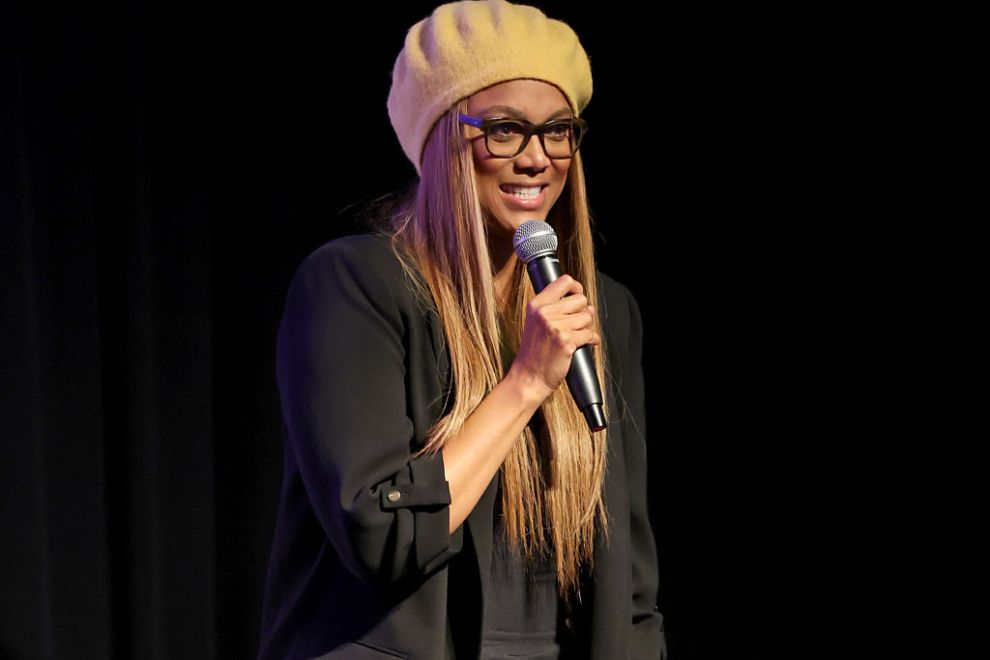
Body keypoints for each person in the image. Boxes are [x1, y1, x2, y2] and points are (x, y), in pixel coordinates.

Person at [257, 1, 667, 658]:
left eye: (557, 131)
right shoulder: (356, 287)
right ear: (444, 139)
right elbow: (381, 535)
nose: (537, 158)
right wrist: (526, 380)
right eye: (504, 130)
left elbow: (634, 586)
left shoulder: (601, 309)